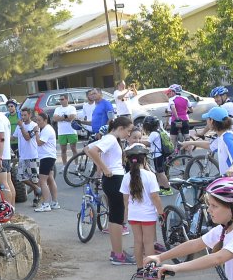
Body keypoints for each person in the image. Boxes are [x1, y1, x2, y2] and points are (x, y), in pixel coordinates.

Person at [86, 115, 135, 265]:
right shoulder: (111, 139)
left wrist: (102, 167)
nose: (129, 134)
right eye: (128, 131)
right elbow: (92, 150)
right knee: (117, 218)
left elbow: (88, 148)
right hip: (114, 179)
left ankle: (117, 252)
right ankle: (118, 255)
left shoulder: (109, 138)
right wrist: (104, 168)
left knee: (115, 217)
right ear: (120, 128)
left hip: (113, 179)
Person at [120, 143, 164, 269]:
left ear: (129, 160)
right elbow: (155, 197)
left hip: (134, 215)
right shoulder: (150, 176)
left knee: (138, 242)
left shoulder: (126, 177)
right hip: (148, 215)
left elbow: (125, 200)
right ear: (144, 159)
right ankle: (150, 269)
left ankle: (140, 268)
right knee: (148, 242)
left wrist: (126, 216)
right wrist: (161, 212)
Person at [182, 106, 233, 182]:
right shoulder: (222, 136)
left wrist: (232, 168)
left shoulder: (227, 138)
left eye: (207, 119)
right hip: (230, 181)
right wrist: (190, 142)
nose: (206, 121)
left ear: (212, 121)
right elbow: (210, 145)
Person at [14, 107, 40, 208]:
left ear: (29, 115)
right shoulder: (20, 126)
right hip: (23, 155)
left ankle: (36, 198)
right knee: (20, 176)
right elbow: (14, 136)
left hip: (32, 155)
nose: (23, 117)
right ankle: (36, 188)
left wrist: (21, 127)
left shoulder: (34, 126)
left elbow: (27, 137)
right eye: (22, 115)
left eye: (25, 115)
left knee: (34, 178)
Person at [34, 110, 59, 211]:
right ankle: (54, 202)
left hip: (46, 157)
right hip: (48, 156)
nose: (38, 123)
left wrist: (36, 132)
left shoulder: (47, 129)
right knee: (50, 179)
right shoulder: (45, 129)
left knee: (42, 180)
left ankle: (46, 204)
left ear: (45, 120)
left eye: (39, 120)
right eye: (36, 120)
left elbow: (39, 142)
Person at [52, 94, 80, 164]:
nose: (61, 101)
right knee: (63, 150)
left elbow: (72, 117)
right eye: (60, 100)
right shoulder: (57, 109)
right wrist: (66, 117)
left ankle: (76, 164)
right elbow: (55, 118)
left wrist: (61, 118)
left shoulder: (72, 108)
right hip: (61, 132)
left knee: (73, 149)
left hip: (71, 131)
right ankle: (65, 165)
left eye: (62, 99)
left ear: (67, 99)